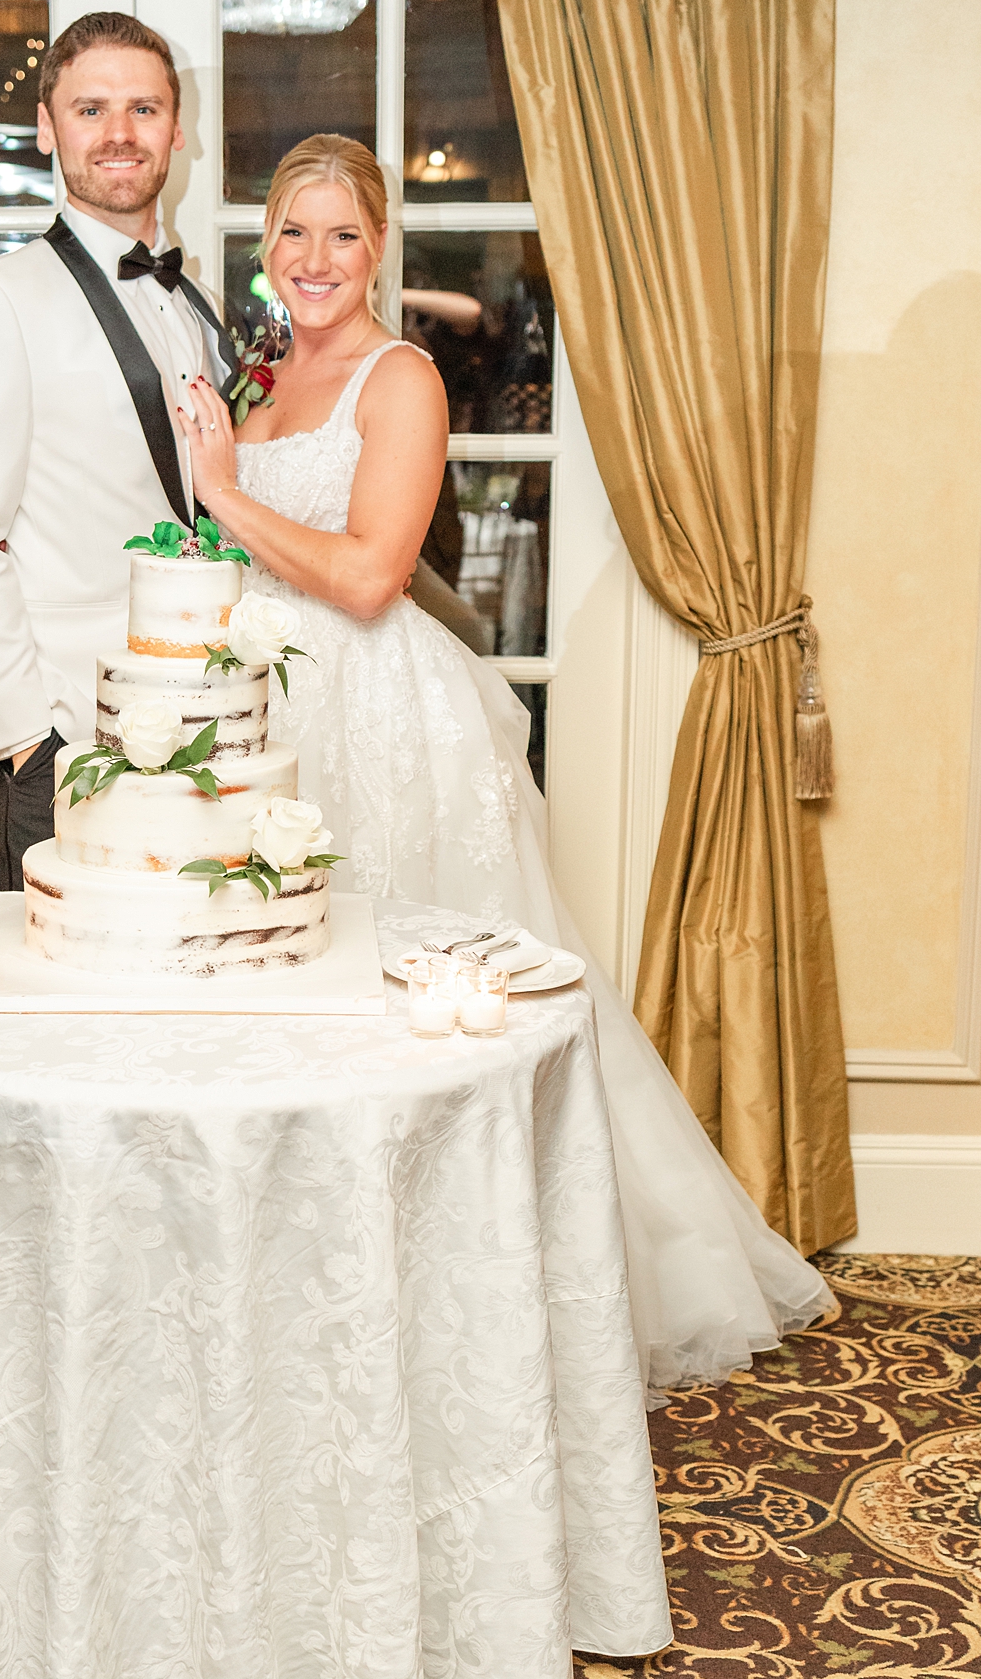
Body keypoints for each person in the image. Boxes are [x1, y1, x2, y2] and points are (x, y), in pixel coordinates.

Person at [172, 133, 835, 1399]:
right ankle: (312, 1292)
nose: (318, 261)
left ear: (381, 247)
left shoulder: (400, 375)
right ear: (267, 246)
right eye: (296, 234)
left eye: (345, 235)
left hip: (377, 714)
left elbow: (370, 577)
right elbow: (246, 562)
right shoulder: (258, 384)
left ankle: (469, 1305)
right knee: (291, 1005)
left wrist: (219, 490)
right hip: (269, 712)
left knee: (419, 1015)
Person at [0, 11, 236, 890]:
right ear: (49, 129)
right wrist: (27, 740)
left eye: (144, 108)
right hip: (66, 730)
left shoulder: (196, 304)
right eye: (91, 109)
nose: (120, 133)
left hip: (204, 718)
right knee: (62, 1004)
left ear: (178, 129)